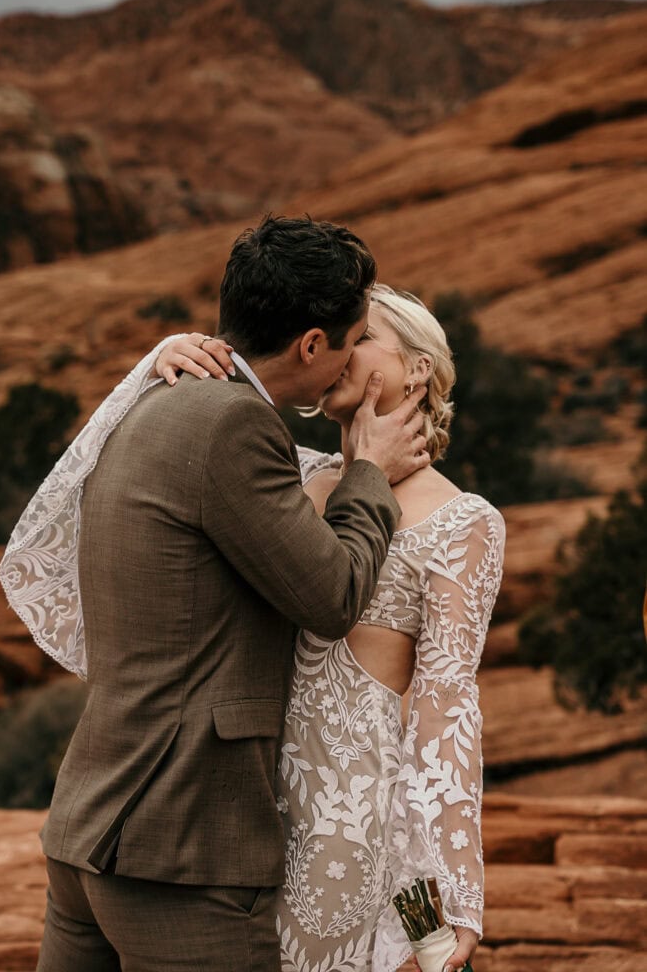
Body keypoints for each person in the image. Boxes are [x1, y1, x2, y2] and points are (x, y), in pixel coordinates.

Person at [0, 217, 430, 972]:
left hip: (88, 828)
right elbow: (331, 595)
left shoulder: (157, 397)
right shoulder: (232, 422)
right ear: (310, 347)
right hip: (179, 848)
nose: (356, 354)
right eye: (353, 335)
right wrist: (366, 470)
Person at [150, 286, 506, 972]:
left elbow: (442, 717)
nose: (338, 348)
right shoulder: (285, 477)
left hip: (356, 828)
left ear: (419, 368)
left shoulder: (465, 522)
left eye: (362, 336)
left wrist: (444, 902)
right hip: (236, 808)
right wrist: (170, 360)